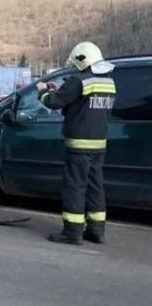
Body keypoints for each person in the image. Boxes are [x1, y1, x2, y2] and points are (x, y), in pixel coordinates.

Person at [37, 41, 116, 245]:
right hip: (99, 144)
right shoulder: (108, 82)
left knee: (75, 186)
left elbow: (54, 102)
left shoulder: (79, 80)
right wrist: (60, 90)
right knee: (95, 186)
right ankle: (96, 230)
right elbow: (84, 104)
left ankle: (72, 232)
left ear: (82, 60)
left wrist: (42, 91)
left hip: (79, 144)